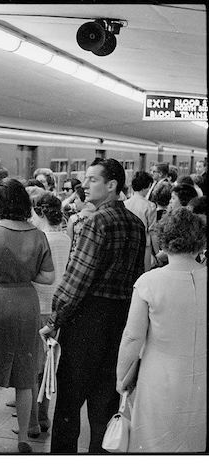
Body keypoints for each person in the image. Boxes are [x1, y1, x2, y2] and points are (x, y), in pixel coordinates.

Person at [40, 158, 146, 453]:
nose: (84, 185)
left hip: (87, 322)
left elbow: (77, 279)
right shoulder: (137, 225)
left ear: (111, 185)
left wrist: (55, 318)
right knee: (104, 404)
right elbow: (138, 277)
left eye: (92, 180)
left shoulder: (95, 223)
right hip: (119, 322)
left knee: (69, 406)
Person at [0, 178, 54, 454]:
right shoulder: (37, 233)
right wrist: (26, 273)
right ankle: (24, 441)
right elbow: (49, 276)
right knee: (25, 374)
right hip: (26, 302)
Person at [116, 208, 206, 452]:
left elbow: (133, 336)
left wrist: (121, 375)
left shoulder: (149, 282)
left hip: (160, 376)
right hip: (201, 375)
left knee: (156, 441)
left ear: (165, 240)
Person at [24, 193, 71, 437]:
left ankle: (32, 422)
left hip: (38, 307)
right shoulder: (65, 237)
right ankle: (44, 417)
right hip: (58, 310)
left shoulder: (39, 239)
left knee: (33, 368)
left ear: (38, 212)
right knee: (48, 367)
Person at [124, 171, 158, 271]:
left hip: (127, 245)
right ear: (146, 187)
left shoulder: (125, 204)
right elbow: (152, 232)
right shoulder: (150, 206)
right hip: (144, 247)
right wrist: (157, 253)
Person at [65, 185, 95, 256]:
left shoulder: (74, 219)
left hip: (76, 257)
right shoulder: (98, 217)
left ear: (84, 200)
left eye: (76, 198)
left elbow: (69, 243)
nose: (75, 201)